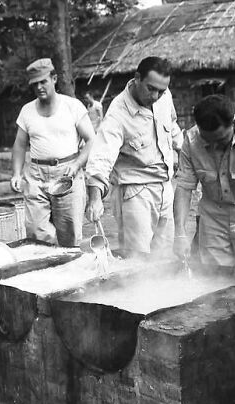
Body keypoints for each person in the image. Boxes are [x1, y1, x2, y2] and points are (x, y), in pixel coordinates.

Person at [85, 56, 182, 257]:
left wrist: (182, 149)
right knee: (138, 259)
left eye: (161, 91)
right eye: (151, 89)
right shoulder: (117, 115)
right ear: (137, 78)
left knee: (165, 257)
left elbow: (172, 125)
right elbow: (101, 158)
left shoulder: (165, 96)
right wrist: (95, 199)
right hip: (136, 194)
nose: (156, 96)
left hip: (165, 187)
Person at [173, 94, 235, 279]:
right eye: (208, 142)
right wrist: (179, 233)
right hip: (214, 218)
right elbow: (183, 188)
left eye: (220, 141)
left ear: (233, 123)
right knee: (216, 283)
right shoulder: (191, 140)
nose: (214, 147)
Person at [11, 58, 94, 247]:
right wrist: (16, 173)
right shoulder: (27, 111)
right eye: (35, 84)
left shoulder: (72, 106)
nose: (39, 87)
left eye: (43, 82)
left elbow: (91, 140)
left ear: (54, 79)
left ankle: (70, 272)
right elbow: (19, 145)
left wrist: (76, 164)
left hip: (67, 174)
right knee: (35, 233)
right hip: (36, 175)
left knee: (69, 234)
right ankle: (42, 271)